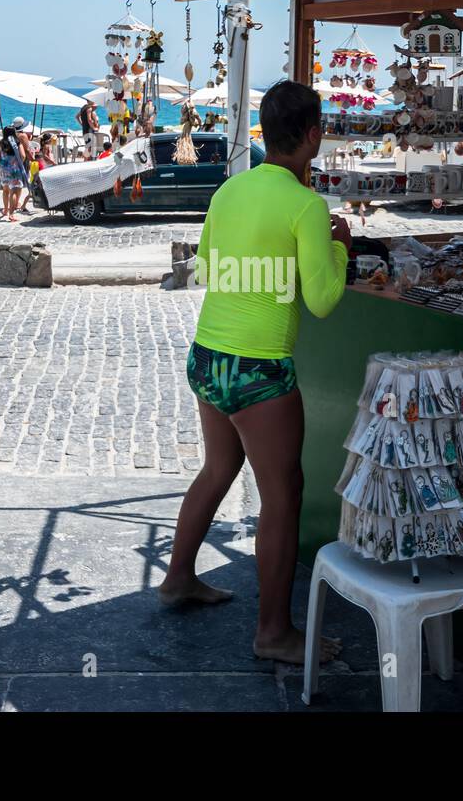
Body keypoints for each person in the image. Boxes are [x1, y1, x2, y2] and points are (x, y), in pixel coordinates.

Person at [159, 80, 352, 667]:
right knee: (283, 493)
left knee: (219, 467)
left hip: (210, 354)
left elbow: (212, 266)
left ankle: (178, 577)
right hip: (259, 371)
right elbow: (320, 300)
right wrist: (341, 246)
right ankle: (273, 633)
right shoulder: (306, 205)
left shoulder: (229, 191)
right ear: (314, 136)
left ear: (266, 134)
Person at [0, 125, 27, 221]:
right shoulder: (17, 143)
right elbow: (23, 156)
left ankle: (5, 210)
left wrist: (0, 166)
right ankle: (11, 214)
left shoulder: (0, 143)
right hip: (15, 170)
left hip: (3, 170)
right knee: (13, 191)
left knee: (5, 190)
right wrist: (17, 163)